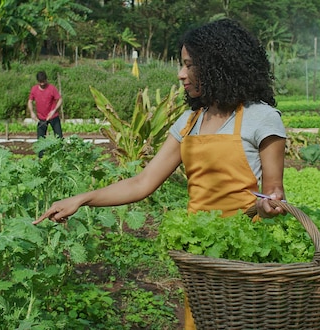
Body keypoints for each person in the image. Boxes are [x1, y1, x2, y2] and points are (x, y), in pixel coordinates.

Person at [33, 19, 287, 329]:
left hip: (242, 255)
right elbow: (143, 182)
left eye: (189, 65)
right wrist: (82, 198)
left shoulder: (261, 117)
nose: (181, 74)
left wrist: (265, 205)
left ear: (217, 66)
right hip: (198, 255)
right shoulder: (190, 120)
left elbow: (273, 194)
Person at [28, 71, 63, 158]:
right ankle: (41, 159)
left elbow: (60, 100)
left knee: (59, 137)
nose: (42, 83)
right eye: (40, 82)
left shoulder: (52, 88)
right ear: (38, 81)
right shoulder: (34, 89)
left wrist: (53, 111)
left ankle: (61, 156)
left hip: (53, 117)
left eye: (44, 81)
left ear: (46, 79)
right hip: (41, 118)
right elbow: (30, 101)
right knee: (41, 140)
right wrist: (32, 112)